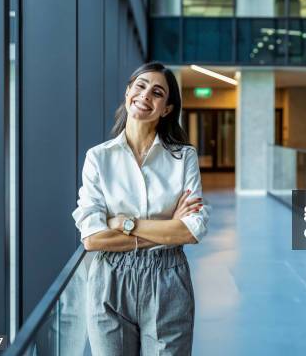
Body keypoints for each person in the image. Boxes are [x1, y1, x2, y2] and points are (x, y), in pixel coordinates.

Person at [72, 61, 210, 355]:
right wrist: (168, 229)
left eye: (157, 92)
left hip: (168, 279)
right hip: (109, 280)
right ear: (128, 93)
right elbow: (92, 238)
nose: (146, 95)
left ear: (167, 109)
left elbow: (192, 230)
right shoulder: (98, 158)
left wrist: (123, 223)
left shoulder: (183, 158)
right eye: (141, 86)